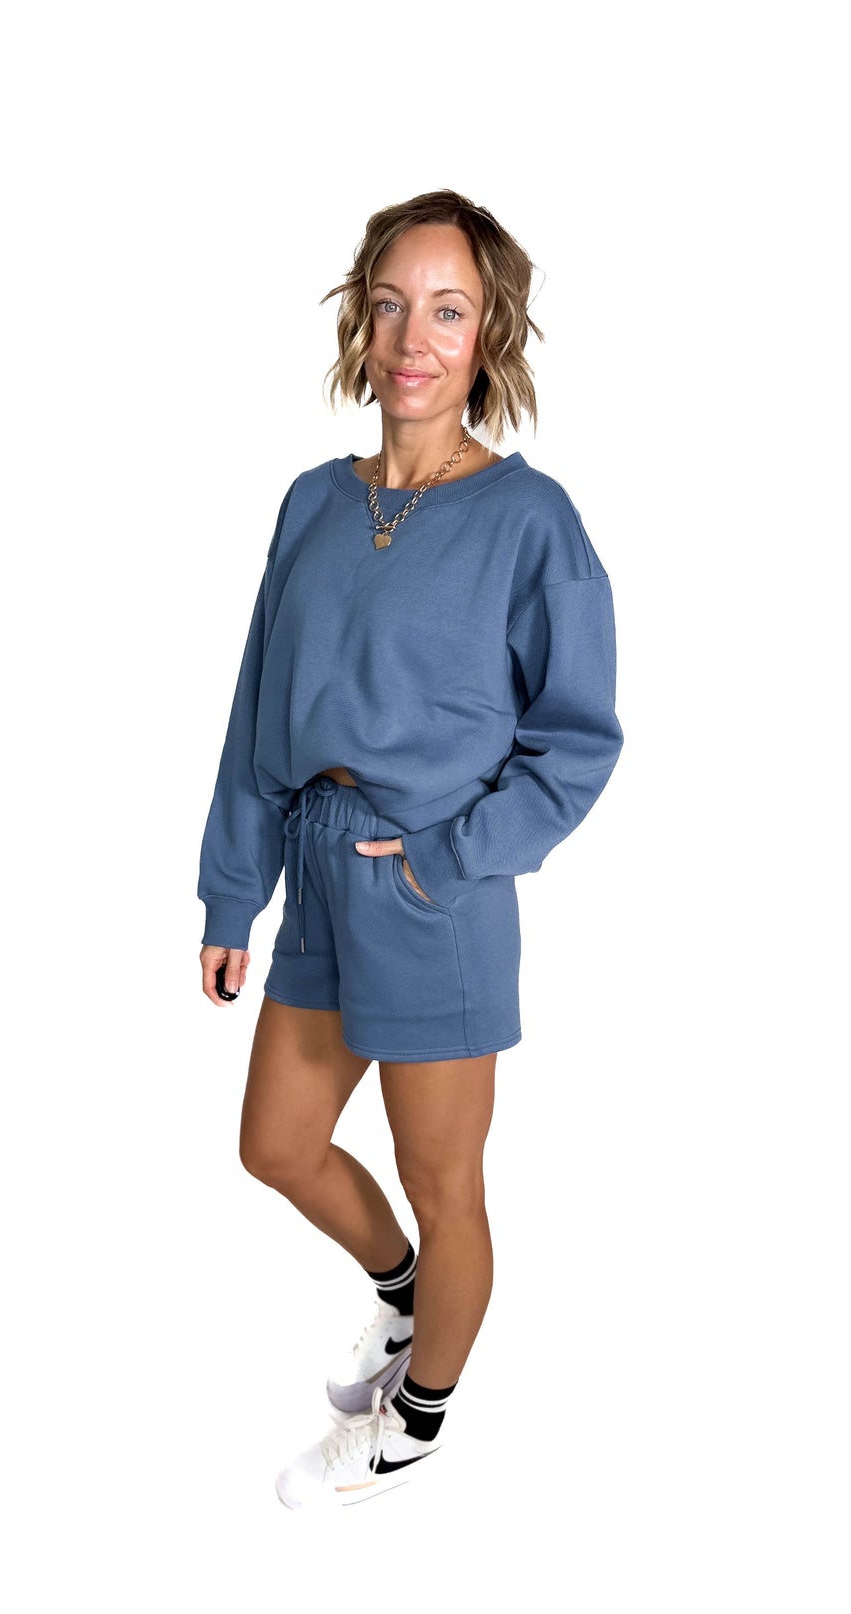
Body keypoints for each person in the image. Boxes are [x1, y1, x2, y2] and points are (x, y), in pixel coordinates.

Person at [196, 189, 624, 1508]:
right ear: (358, 323)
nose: (411, 339)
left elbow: (577, 740)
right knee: (276, 1143)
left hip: (435, 889)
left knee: (447, 1186)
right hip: (316, 870)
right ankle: (399, 1296)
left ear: (489, 333)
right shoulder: (312, 504)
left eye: (446, 310)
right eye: (388, 305)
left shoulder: (530, 520)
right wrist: (233, 893)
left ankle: (417, 1421)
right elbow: (257, 705)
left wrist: (450, 857)